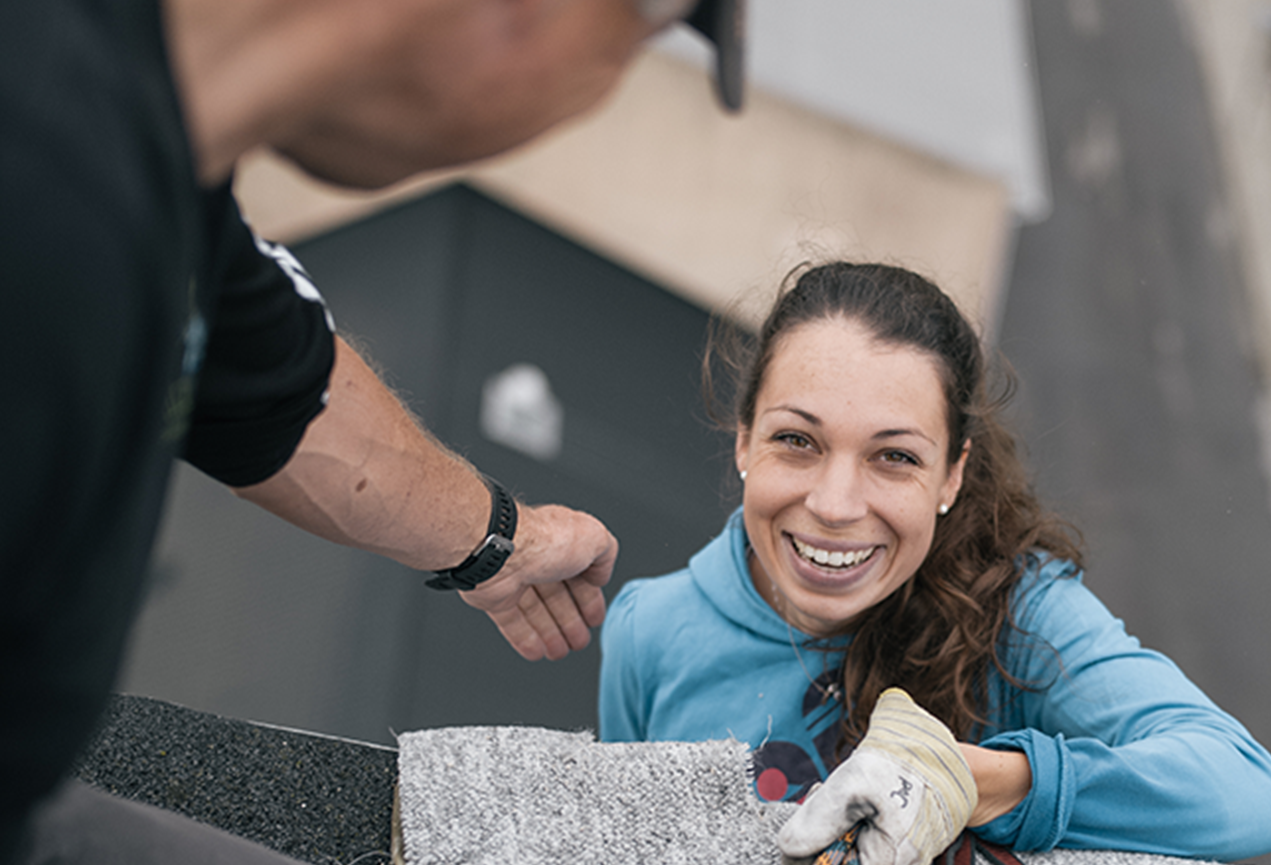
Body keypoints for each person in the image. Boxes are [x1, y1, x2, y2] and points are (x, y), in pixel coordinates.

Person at [0, 0, 742, 861]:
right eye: (630, 49)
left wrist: (499, 541)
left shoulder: (150, 161)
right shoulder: (43, 203)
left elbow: (284, 393)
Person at [598, 262, 1271, 864]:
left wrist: (987, 781)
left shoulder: (1017, 610)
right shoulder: (648, 630)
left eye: (895, 456)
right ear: (745, 440)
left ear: (951, 477)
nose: (836, 503)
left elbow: (1248, 788)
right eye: (797, 440)